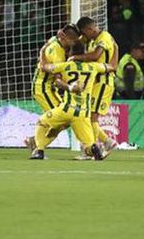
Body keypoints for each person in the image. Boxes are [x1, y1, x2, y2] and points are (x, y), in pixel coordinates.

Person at [31, 41, 117, 160]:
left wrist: (42, 52)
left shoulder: (65, 66)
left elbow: (44, 67)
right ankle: (93, 149)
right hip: (82, 113)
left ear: (71, 52)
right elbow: (113, 66)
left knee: (42, 122)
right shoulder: (93, 67)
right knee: (87, 145)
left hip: (65, 110)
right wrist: (115, 48)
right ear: (84, 53)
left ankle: (39, 150)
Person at [24, 24, 81, 151]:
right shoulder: (57, 53)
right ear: (65, 38)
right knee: (63, 119)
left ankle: (35, 141)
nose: (75, 44)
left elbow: (46, 46)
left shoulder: (55, 39)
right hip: (43, 88)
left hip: (48, 88)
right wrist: (71, 88)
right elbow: (58, 80)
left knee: (63, 120)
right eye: (73, 40)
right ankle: (37, 145)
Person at [70, 17, 119, 158]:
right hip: (96, 83)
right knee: (88, 116)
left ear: (89, 29)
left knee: (91, 117)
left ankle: (92, 149)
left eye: (84, 33)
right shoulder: (94, 40)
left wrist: (77, 57)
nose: (84, 36)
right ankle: (105, 142)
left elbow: (96, 55)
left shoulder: (104, 37)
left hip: (103, 81)